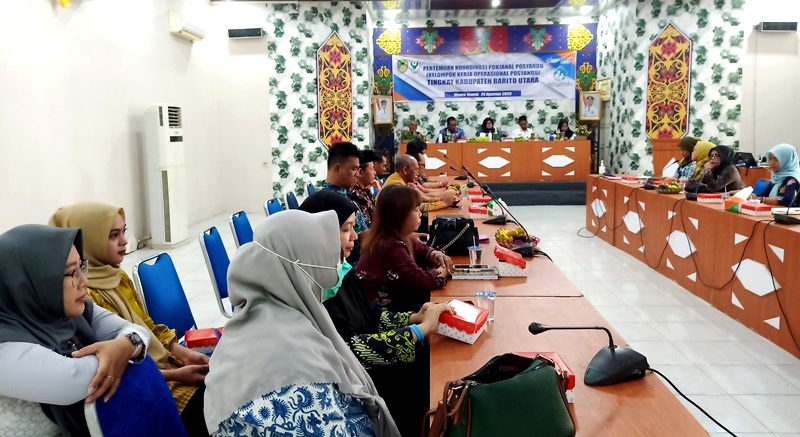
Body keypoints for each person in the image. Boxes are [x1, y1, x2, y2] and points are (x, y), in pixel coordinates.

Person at [203, 210, 400, 437]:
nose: (336, 267)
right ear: (300, 265)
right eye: (326, 258)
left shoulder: (262, 318)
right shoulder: (295, 365)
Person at [299, 191, 454, 437]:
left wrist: (412, 318)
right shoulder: (314, 287)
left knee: (430, 362)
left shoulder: (339, 270)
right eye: (346, 229)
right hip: (354, 382)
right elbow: (350, 350)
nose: (355, 236)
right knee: (424, 374)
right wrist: (418, 331)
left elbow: (371, 313)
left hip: (368, 369)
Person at [49, 202, 209, 436]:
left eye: (123, 232)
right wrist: (177, 375)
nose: (124, 241)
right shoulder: (82, 297)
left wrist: (184, 354)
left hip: (164, 368)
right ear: (88, 241)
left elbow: (148, 327)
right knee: (212, 407)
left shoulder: (119, 277)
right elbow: (114, 368)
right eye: (113, 235)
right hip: (142, 387)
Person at [0, 225, 150, 436]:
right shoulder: (5, 345)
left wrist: (127, 343)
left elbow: (135, 331)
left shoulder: (70, 312)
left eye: (81, 267)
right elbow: (72, 380)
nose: (84, 281)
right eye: (72, 273)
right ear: (29, 282)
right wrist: (125, 348)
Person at [357, 184, 453, 312]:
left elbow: (422, 250)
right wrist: (444, 267)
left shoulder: (396, 236)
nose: (420, 213)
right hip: (384, 314)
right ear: (400, 214)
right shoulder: (390, 247)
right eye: (415, 209)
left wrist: (435, 254)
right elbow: (427, 282)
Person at [322, 141, 367, 262]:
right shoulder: (331, 201)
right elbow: (363, 237)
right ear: (337, 168)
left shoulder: (345, 194)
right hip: (351, 265)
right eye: (354, 169)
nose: (358, 174)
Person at [382, 154, 458, 212]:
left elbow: (419, 199)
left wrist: (443, 199)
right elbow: (415, 208)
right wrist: (443, 204)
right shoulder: (396, 186)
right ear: (405, 170)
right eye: (415, 169)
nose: (417, 173)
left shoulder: (400, 180)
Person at [349, 150, 379, 226]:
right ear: (360, 172)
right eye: (372, 169)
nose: (374, 172)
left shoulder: (366, 191)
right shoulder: (355, 195)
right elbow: (368, 226)